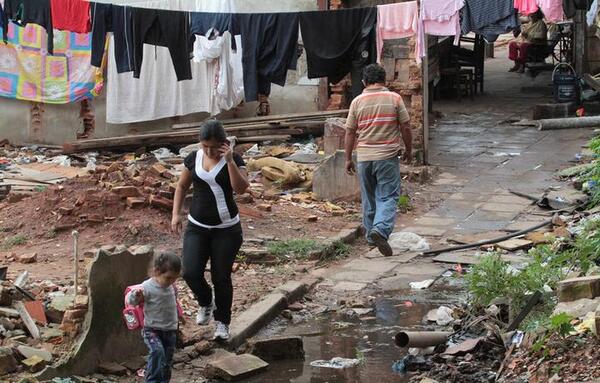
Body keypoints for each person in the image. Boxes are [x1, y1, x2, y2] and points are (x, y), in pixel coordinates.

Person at [171, 120, 249, 341]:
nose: (209, 150)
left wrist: (230, 161)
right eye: (205, 145)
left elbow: (241, 189)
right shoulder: (194, 158)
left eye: (214, 146)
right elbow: (182, 186)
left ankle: (222, 323)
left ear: (224, 144)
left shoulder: (234, 159)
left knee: (221, 277)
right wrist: (176, 213)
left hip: (226, 230)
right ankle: (206, 302)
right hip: (198, 226)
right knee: (190, 272)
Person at [345, 63, 413, 257]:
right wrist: (409, 149)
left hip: (364, 157)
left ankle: (370, 237)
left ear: (365, 82)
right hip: (387, 157)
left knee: (368, 198)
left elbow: (350, 132)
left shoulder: (357, 101)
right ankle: (380, 230)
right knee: (388, 196)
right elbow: (406, 127)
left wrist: (347, 158)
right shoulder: (394, 98)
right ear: (385, 81)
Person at [127, 252, 182, 383]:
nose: (171, 282)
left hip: (170, 330)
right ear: (156, 271)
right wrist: (136, 295)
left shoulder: (171, 287)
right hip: (152, 329)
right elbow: (131, 301)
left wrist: (180, 316)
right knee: (157, 353)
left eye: (175, 278)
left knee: (167, 360)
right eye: (168, 278)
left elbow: (174, 303)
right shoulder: (147, 287)